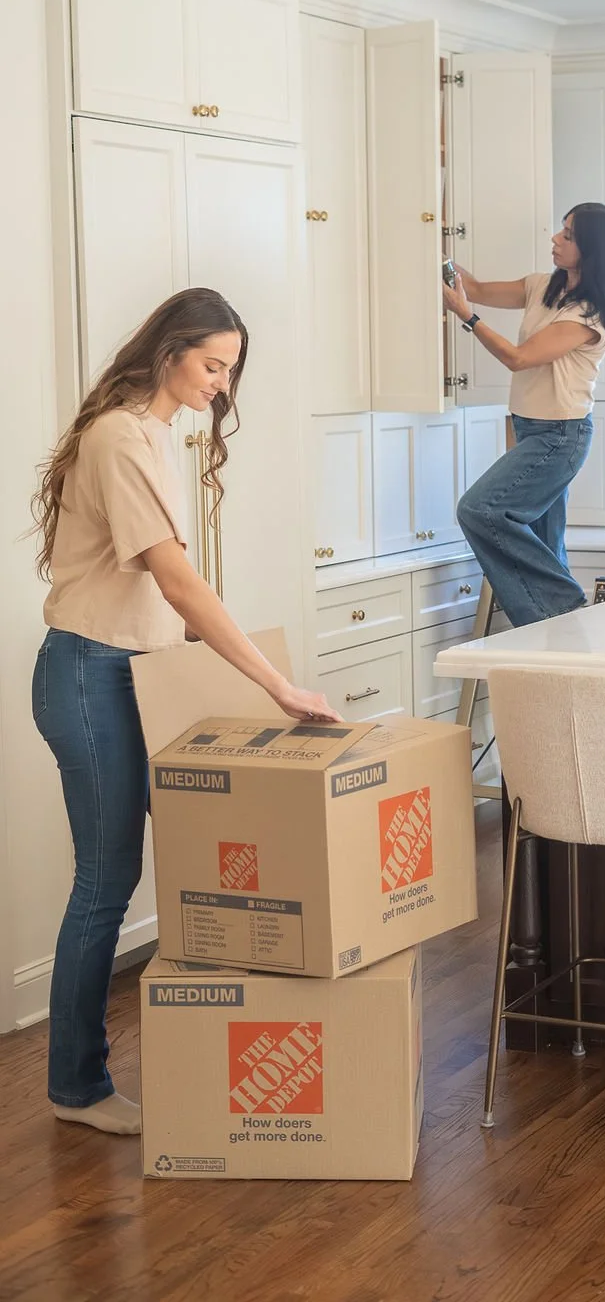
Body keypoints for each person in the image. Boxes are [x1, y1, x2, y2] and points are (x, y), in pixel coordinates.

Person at [30, 288, 340, 1137]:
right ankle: (77, 1086)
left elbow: (171, 596)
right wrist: (274, 684)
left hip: (137, 673)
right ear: (170, 351)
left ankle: (217, 1061)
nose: (220, 384)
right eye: (212, 365)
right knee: (106, 884)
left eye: (229, 370)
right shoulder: (120, 437)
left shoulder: (151, 433)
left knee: (205, 865)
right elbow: (174, 579)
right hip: (91, 674)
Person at [443, 203, 605, 626]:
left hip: (560, 437)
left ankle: (565, 605)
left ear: (591, 249)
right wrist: (427, 244)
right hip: (531, 430)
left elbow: (518, 358)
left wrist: (467, 318)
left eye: (567, 235)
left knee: (479, 510)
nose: (555, 238)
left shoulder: (588, 316)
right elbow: (472, 286)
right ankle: (560, 640)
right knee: (546, 547)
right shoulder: (542, 287)